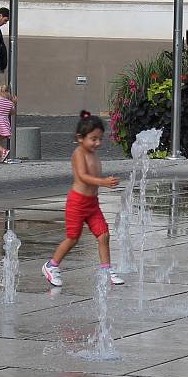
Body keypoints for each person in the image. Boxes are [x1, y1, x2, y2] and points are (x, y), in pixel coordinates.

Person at [42, 111, 124, 287]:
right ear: (80, 138)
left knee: (103, 235)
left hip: (92, 204)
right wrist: (103, 182)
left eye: (100, 139)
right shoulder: (78, 154)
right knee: (72, 238)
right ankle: (51, 265)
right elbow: (83, 176)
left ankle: (106, 269)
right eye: (93, 139)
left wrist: (103, 182)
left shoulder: (93, 154)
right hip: (77, 203)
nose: (98, 143)